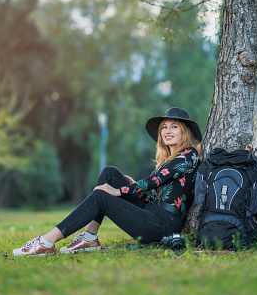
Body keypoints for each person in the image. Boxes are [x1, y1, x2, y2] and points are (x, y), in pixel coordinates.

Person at [12, 107, 202, 256]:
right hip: (152, 213)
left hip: (163, 226)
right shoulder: (169, 159)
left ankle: (46, 242)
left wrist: (120, 191)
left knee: (102, 196)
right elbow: (157, 192)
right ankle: (89, 238)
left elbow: (155, 180)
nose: (167, 131)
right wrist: (136, 190)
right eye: (164, 128)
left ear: (184, 131)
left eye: (174, 126)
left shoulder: (189, 154)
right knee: (109, 173)